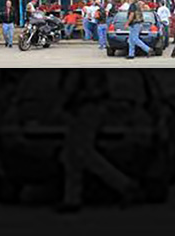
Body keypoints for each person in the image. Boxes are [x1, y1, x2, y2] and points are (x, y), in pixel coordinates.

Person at [57, 70, 141, 213]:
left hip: (87, 109)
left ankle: (125, 185)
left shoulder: (85, 68)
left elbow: (90, 90)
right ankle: (72, 199)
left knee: (82, 152)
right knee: (72, 155)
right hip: (83, 109)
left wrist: (69, 99)